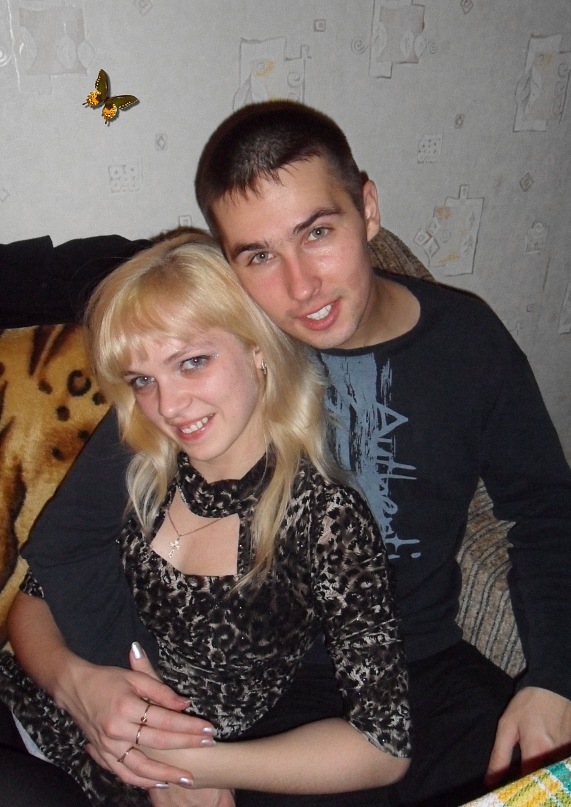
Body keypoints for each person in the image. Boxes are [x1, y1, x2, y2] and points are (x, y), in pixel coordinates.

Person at [3, 100, 571, 805]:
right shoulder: (212, 371)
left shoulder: (467, 341)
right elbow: (69, 553)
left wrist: (554, 677)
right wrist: (128, 709)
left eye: (317, 232)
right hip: (248, 689)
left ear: (367, 209)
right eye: (260, 256)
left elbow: (545, 513)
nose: (301, 287)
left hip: (418, 668)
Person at [0, 232, 410, 806]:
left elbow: (384, 746)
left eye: (192, 362)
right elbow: (34, 602)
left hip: (136, 781)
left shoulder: (325, 520)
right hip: (32, 710)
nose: (168, 406)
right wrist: (78, 686)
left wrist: (192, 767)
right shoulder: (145, 458)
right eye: (143, 380)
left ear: (257, 349)